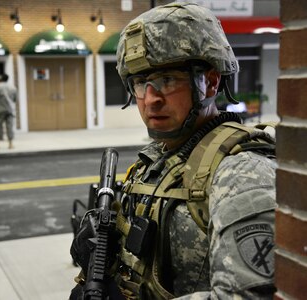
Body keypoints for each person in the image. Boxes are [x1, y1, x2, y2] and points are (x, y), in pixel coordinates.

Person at [70, 2, 277, 299]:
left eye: (167, 80)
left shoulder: (242, 172)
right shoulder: (157, 159)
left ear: (210, 82)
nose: (150, 99)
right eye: (141, 82)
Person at [0, 73, 17, 149]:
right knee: (10, 127)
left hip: (0, 110)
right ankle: (10, 144)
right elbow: (15, 99)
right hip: (10, 110)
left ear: (0, 79)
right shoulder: (13, 87)